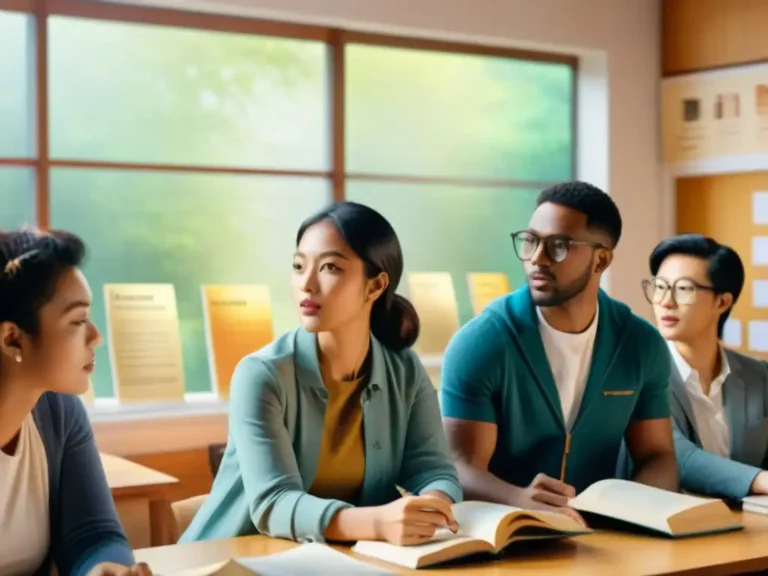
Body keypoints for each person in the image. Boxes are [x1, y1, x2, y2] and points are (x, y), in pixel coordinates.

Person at [181, 201, 462, 546]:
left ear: (375, 287)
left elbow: (432, 469)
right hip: (231, 560)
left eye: (329, 267)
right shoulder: (260, 375)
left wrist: (432, 506)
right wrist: (377, 523)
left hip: (342, 561)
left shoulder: (404, 370)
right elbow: (274, 503)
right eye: (299, 267)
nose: (307, 284)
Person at [440, 181, 678, 521]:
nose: (537, 258)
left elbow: (658, 455)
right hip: (504, 533)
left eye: (559, 246)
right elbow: (460, 466)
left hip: (601, 537)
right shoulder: (482, 343)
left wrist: (631, 510)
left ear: (601, 261)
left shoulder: (640, 343)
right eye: (531, 241)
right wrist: (520, 499)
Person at [0, 228, 150, 576]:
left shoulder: (59, 412)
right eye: (78, 320)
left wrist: (101, 568)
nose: (96, 336)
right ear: (13, 339)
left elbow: (92, 533)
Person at [643, 234, 768, 500]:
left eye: (684, 289)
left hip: (747, 528)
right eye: (660, 286)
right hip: (665, 527)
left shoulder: (759, 375)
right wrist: (760, 480)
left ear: (722, 302)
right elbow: (674, 454)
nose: (666, 301)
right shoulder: (640, 373)